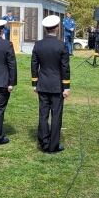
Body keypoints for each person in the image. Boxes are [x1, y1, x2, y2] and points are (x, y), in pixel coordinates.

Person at [31, 15, 70, 154]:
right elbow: (65, 68)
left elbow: (34, 65)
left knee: (43, 115)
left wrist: (34, 83)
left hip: (42, 84)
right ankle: (53, 145)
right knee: (56, 115)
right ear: (57, 28)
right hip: (57, 86)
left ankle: (44, 142)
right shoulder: (62, 45)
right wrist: (66, 87)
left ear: (45, 29)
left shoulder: (38, 44)